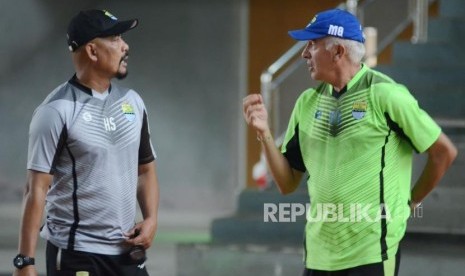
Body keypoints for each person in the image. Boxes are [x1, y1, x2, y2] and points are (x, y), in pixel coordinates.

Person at [243, 8, 457, 276]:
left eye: (312, 44)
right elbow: (287, 184)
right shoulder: (306, 103)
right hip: (318, 255)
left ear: (338, 52)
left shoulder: (385, 95)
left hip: (372, 253)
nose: (304, 54)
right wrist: (263, 133)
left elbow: (443, 152)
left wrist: (410, 204)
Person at [13, 9, 159, 276]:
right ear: (92, 51)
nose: (125, 46)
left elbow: (146, 171)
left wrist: (151, 219)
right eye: (115, 38)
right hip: (77, 255)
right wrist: (25, 262)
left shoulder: (133, 103)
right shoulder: (56, 110)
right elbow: (35, 191)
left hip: (127, 254)